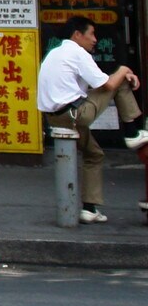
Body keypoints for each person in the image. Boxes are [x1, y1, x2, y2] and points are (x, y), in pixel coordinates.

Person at [37, 14, 148, 223]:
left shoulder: (55, 53)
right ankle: (132, 132)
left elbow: (97, 81)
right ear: (78, 35)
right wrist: (124, 69)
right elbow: (107, 85)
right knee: (120, 81)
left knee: (94, 154)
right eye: (92, 34)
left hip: (56, 118)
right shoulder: (77, 53)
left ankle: (89, 208)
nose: (95, 39)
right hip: (75, 115)